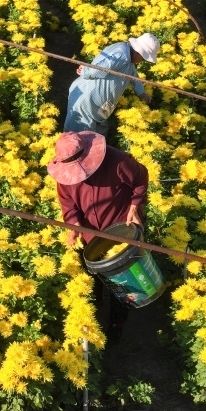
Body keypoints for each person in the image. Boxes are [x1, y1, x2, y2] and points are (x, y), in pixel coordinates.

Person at [48, 130, 149, 342]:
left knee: (123, 283)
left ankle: (116, 323)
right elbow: (68, 204)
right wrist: (74, 225)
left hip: (121, 229)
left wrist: (134, 205)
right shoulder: (64, 175)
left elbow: (140, 178)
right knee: (94, 276)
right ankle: (96, 307)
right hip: (91, 234)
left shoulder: (119, 161)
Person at [64, 33, 160, 135]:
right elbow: (96, 70)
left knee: (98, 135)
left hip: (101, 106)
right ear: (140, 53)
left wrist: (141, 93)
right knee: (75, 138)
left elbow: (132, 74)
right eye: (144, 59)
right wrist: (85, 71)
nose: (142, 61)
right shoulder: (121, 55)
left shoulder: (128, 56)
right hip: (86, 100)